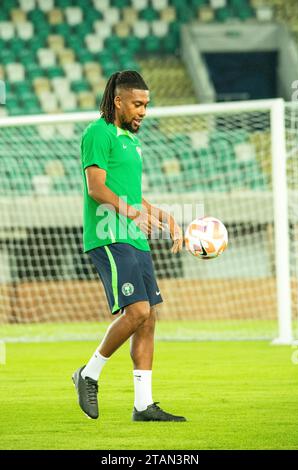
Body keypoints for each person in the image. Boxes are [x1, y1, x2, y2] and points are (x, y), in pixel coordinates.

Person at [72, 70, 186, 422]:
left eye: (146, 105)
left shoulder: (132, 141)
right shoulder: (98, 133)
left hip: (133, 235)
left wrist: (163, 216)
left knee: (148, 318)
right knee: (136, 312)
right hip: (109, 235)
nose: (144, 112)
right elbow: (98, 189)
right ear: (118, 101)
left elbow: (131, 194)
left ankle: (143, 405)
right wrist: (134, 214)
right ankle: (88, 373)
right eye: (137, 104)